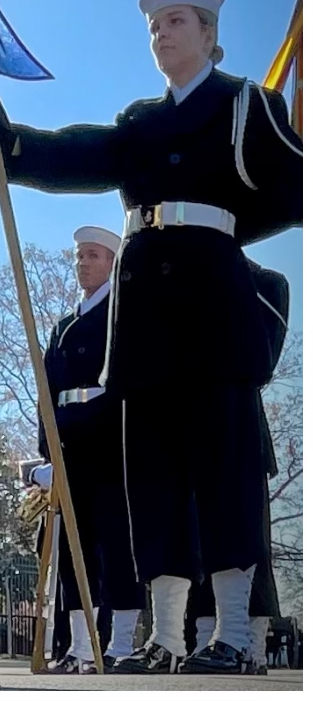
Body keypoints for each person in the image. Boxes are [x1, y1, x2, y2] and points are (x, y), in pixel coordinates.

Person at [0, 0, 302, 674]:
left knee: (221, 471)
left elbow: (296, 184)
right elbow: (86, 152)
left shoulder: (247, 105)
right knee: (150, 481)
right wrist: (16, 144)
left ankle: (235, 634)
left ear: (210, 35)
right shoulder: (141, 121)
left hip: (211, 300)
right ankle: (168, 637)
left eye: (178, 22)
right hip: (145, 310)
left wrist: (234, 227)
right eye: (156, 26)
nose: (163, 34)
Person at [26, 226, 144, 673]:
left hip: (110, 439)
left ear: (112, 261)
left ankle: (121, 644)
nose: (82, 264)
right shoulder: (62, 325)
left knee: (117, 543)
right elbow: (46, 392)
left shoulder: (122, 313)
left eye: (92, 255)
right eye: (78, 256)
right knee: (77, 551)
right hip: (69, 443)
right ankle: (80, 647)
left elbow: (128, 381)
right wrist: (48, 450)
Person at [188, 259, 290, 675]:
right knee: (196, 542)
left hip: (239, 424)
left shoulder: (265, 281)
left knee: (246, 539)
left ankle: (247, 642)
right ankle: (203, 635)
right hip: (189, 430)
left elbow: (260, 356)